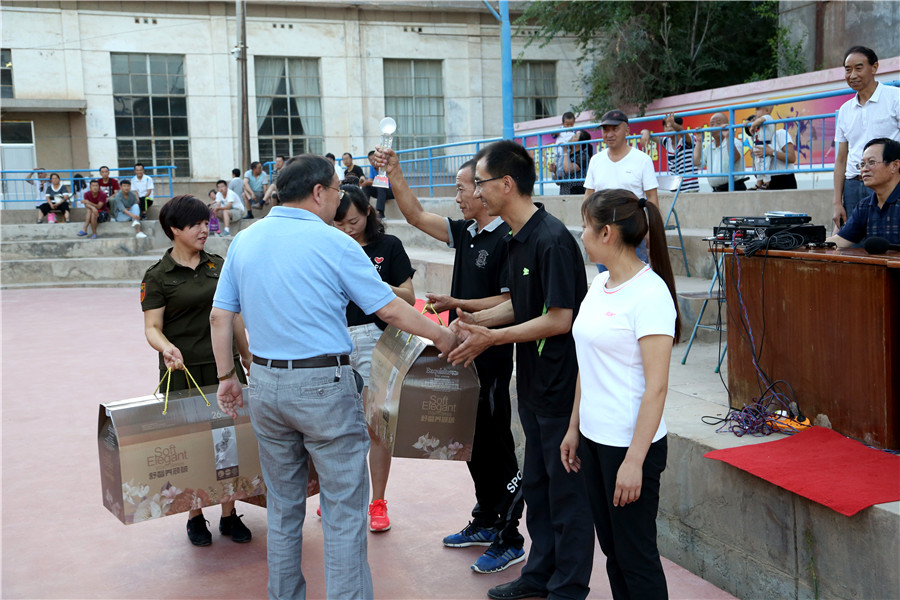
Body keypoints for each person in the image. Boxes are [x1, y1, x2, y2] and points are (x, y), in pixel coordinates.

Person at [210, 154, 458, 600]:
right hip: (323, 385)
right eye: (338, 190)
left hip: (264, 383)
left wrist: (227, 375)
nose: (340, 199)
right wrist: (441, 335)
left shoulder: (244, 240)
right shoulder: (334, 243)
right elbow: (389, 308)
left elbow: (219, 316)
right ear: (319, 192)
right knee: (343, 510)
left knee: (283, 508)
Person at [445, 140, 594, 600]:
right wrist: (475, 323)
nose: (475, 193)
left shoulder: (552, 240)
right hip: (530, 385)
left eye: (481, 183)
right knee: (539, 487)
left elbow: (560, 318)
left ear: (506, 184)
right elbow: (519, 305)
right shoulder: (517, 239)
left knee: (566, 495)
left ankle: (569, 586)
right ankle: (539, 574)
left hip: (560, 388)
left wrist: (492, 337)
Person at [374, 147, 526, 574]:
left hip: (491, 357)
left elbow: (511, 302)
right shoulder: (467, 231)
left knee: (497, 444)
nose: (459, 197)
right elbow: (415, 215)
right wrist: (394, 170)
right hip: (461, 354)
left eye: (463, 188)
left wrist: (459, 303)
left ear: (484, 190)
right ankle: (486, 518)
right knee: (471, 441)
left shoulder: (508, 238)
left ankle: (510, 535)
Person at [561, 188, 681, 600]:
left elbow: (657, 388)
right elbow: (587, 361)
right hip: (594, 440)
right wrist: (574, 426)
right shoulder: (599, 284)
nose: (581, 234)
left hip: (629, 447)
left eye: (585, 226)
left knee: (636, 556)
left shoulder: (651, 295)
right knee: (613, 551)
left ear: (607, 233)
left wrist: (634, 461)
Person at [141, 194, 253, 547]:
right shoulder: (157, 276)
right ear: (174, 229)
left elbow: (232, 316)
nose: (205, 229)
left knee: (228, 442)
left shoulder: (219, 265)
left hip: (224, 369)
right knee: (191, 446)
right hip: (183, 372)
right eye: (196, 224)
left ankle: (229, 513)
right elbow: (151, 327)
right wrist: (165, 347)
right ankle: (194, 515)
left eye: (207, 223)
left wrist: (246, 354)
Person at [333, 183, 416, 534]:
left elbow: (408, 297)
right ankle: (340, 496)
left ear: (368, 213)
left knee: (376, 426)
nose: (347, 230)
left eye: (353, 221)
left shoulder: (388, 246)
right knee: (337, 426)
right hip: (333, 340)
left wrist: (370, 281)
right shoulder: (329, 247)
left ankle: (377, 501)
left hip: (375, 340)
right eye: (339, 224)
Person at [833, 46, 900, 231]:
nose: (852, 75)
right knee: (852, 242)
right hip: (853, 185)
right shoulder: (845, 110)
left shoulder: (895, 98)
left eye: (859, 68)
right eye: (848, 70)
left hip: (887, 183)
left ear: (874, 67)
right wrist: (837, 202)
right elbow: (841, 159)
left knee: (887, 239)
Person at [584, 109, 659, 265]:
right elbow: (589, 195)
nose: (610, 134)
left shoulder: (642, 160)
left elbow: (652, 197)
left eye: (615, 129)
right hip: (602, 231)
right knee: (606, 277)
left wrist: (651, 230)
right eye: (606, 130)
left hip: (632, 230)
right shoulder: (596, 160)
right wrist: (587, 224)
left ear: (627, 131)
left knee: (634, 276)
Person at [827, 138, 900, 247]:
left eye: (871, 162)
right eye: (862, 164)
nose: (864, 169)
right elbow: (841, 240)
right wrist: (811, 244)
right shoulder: (864, 206)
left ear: (895, 166)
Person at [692, 112, 747, 192]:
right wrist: (699, 141)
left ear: (727, 125)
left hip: (734, 188)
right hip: (717, 190)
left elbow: (734, 158)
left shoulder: (735, 142)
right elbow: (695, 162)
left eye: (718, 123)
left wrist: (728, 136)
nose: (714, 127)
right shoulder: (710, 147)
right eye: (711, 124)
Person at [746, 105, 777, 189]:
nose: (755, 112)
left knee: (765, 166)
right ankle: (758, 183)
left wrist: (752, 125)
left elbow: (759, 120)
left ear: (767, 110)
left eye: (758, 109)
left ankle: (766, 183)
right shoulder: (758, 122)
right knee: (758, 166)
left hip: (765, 145)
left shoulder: (768, 117)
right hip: (757, 144)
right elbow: (752, 131)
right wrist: (748, 123)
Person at [558, 130, 594, 195]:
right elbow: (559, 180)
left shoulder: (583, 156)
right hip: (564, 192)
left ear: (579, 143)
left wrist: (565, 151)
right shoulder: (567, 155)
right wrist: (555, 171)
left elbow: (569, 169)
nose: (572, 137)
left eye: (575, 136)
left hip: (576, 192)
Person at [361, 150, 395, 218]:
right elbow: (370, 180)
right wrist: (365, 183)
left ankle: (380, 213)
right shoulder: (372, 168)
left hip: (391, 191)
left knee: (380, 186)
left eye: (374, 159)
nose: (372, 161)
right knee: (366, 187)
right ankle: (364, 209)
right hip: (380, 192)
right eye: (370, 160)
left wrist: (369, 182)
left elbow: (384, 183)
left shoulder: (385, 166)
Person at [548, 111, 577, 180]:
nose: (569, 127)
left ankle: (559, 174)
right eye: (567, 125)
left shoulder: (574, 132)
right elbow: (553, 135)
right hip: (557, 151)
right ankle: (556, 173)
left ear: (574, 123)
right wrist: (555, 133)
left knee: (561, 162)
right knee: (557, 162)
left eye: (571, 124)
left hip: (565, 151)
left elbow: (574, 140)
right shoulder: (560, 130)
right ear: (563, 123)